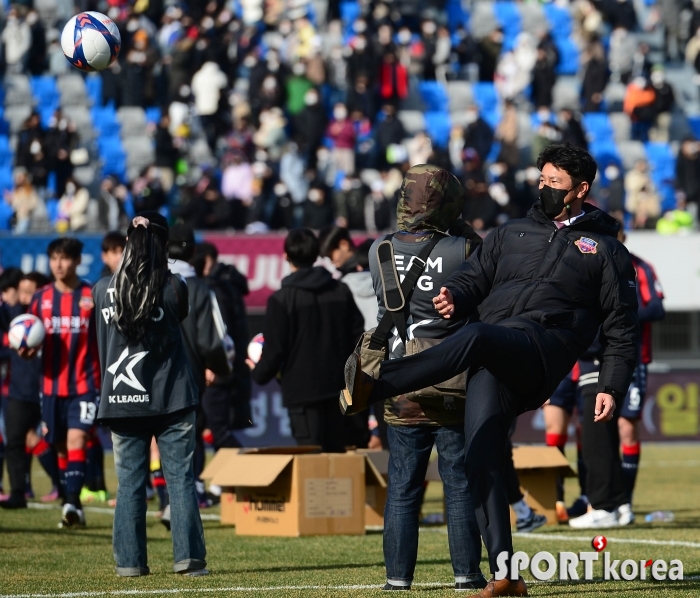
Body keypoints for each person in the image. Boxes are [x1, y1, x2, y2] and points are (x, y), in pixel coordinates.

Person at [342, 144, 639, 597]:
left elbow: (622, 328)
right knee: (480, 457)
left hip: (545, 346)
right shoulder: (510, 232)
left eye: (554, 183)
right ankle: (506, 575)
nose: (543, 188)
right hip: (498, 351)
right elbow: (473, 276)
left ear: (581, 189)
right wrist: (455, 296)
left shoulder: (606, 249)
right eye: (541, 180)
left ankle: (381, 384)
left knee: (477, 337)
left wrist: (612, 386)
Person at [368, 165, 487, 591]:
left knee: (402, 486)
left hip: (400, 381)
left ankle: (397, 580)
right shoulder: (464, 247)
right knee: (457, 483)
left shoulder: (378, 249)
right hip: (452, 378)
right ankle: (466, 575)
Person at [92, 213, 208, 577]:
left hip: (121, 399)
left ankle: (129, 564)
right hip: (171, 397)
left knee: (129, 485)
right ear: (163, 244)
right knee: (181, 480)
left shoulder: (101, 289)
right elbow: (180, 316)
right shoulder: (174, 286)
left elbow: (101, 345)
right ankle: (188, 560)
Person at [250, 229, 365, 452]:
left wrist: (258, 373)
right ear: (316, 255)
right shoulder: (340, 290)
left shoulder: (281, 300)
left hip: (302, 394)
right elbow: (358, 338)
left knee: (311, 465)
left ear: (286, 256)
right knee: (336, 463)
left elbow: (275, 350)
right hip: (340, 390)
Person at [26, 238, 102, 528]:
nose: (59, 264)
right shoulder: (40, 299)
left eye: (65, 258)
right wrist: (26, 349)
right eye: (54, 258)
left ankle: (70, 502)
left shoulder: (91, 296)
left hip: (85, 385)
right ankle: (75, 504)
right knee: (59, 446)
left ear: (77, 261)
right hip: (51, 388)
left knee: (76, 440)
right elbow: (29, 339)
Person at [167, 225, 231, 513]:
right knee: (189, 437)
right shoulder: (200, 288)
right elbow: (213, 340)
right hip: (189, 377)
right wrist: (219, 368)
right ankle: (184, 500)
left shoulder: (149, 284)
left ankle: (165, 499)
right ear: (193, 252)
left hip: (149, 377)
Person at [0, 271, 61, 509]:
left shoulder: (50, 316)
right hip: (19, 392)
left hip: (49, 388)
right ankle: (18, 492)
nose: (25, 296)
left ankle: (65, 487)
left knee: (56, 440)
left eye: (30, 291)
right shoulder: (14, 315)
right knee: (15, 440)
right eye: (22, 290)